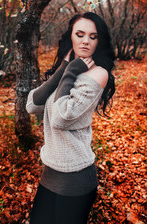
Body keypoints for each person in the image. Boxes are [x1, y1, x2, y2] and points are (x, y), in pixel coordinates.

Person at [26, 12, 115, 224]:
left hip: (76, 178)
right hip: (50, 172)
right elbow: (31, 105)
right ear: (71, 37)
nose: (86, 41)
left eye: (93, 36)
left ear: (99, 41)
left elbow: (61, 117)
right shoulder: (69, 70)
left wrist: (70, 71)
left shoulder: (98, 74)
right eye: (80, 34)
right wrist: (63, 70)